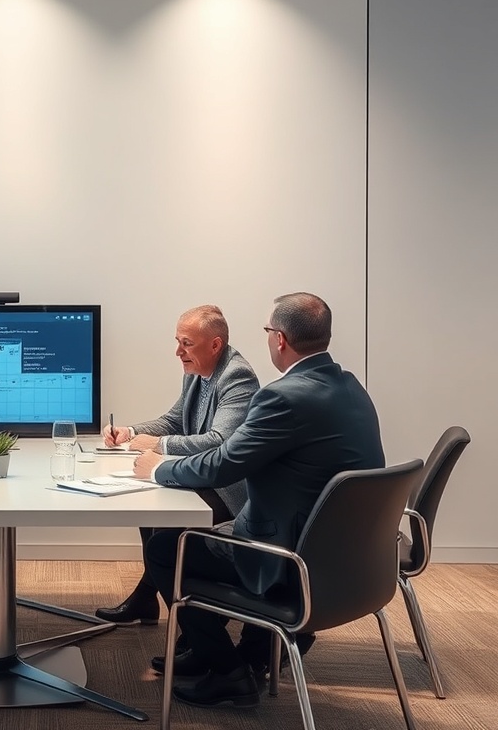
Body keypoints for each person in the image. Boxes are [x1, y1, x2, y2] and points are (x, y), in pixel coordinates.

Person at [135, 292, 385, 709]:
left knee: (166, 550)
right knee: (210, 533)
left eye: (268, 330)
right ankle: (253, 651)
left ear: (280, 339)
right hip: (353, 559)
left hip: (294, 558)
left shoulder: (283, 397)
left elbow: (222, 463)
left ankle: (229, 672)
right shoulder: (351, 387)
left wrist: (158, 468)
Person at [96, 305, 259, 624]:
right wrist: (131, 432)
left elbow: (219, 441)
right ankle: (155, 602)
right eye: (178, 341)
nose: (178, 352)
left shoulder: (237, 377)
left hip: (226, 488)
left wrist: (159, 445)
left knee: (163, 528)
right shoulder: (198, 371)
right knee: (148, 506)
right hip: (200, 475)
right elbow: (174, 420)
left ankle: (190, 622)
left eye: (187, 343)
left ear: (215, 345)